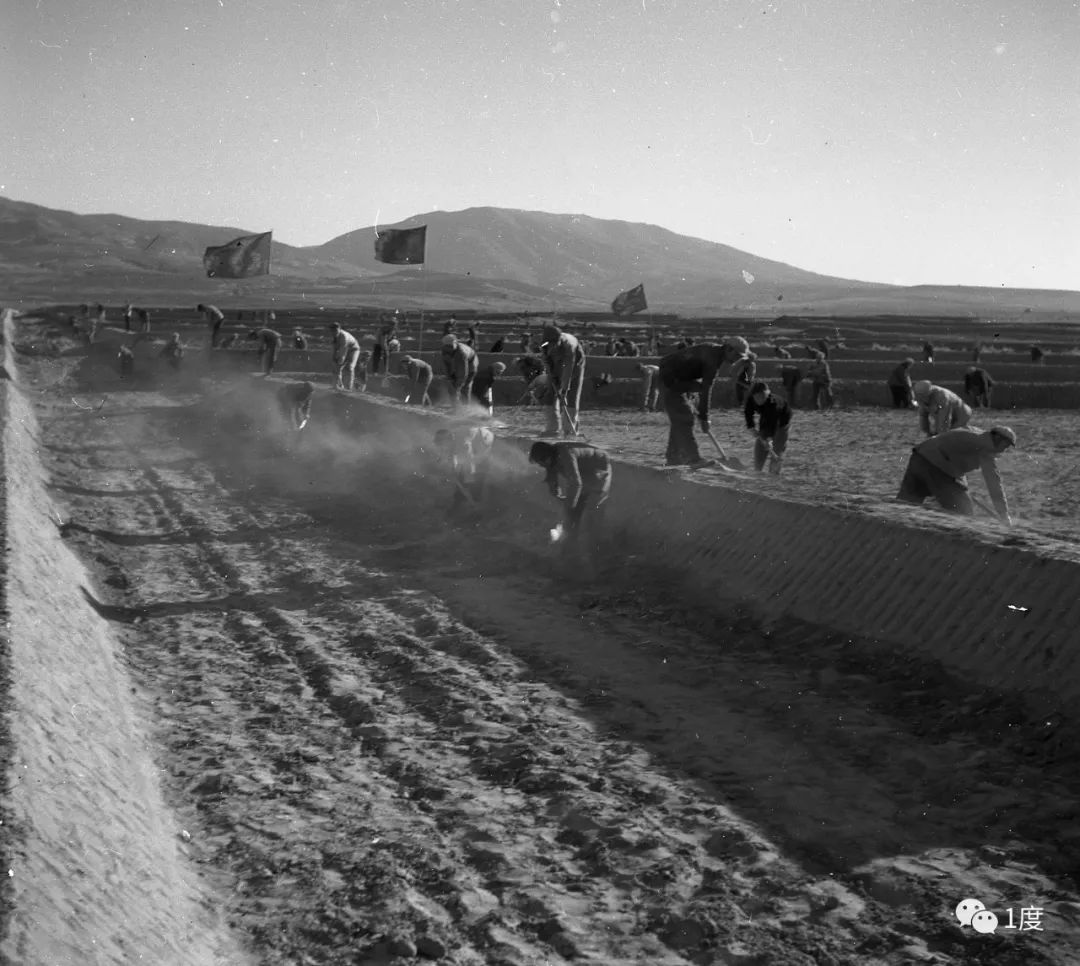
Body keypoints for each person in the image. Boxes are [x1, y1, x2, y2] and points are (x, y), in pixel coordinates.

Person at [657, 337, 749, 467]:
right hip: (669, 380)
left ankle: (673, 458)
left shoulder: (715, 353)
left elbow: (703, 387)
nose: (736, 359)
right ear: (729, 349)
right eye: (737, 355)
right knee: (685, 417)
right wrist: (705, 417)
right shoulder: (712, 357)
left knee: (681, 419)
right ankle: (693, 458)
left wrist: (702, 412)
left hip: (679, 380)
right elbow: (707, 389)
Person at [896, 426, 1016, 524]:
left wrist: (962, 485)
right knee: (964, 512)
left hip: (919, 457)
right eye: (1005, 446)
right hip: (938, 466)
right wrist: (1004, 515)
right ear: (998, 439)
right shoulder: (986, 447)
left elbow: (955, 453)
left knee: (906, 505)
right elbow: (993, 481)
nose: (1004, 450)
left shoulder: (975, 433)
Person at [528, 441, 612, 552]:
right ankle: (570, 543)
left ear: (546, 457)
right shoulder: (551, 457)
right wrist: (554, 489)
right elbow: (551, 473)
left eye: (540, 462)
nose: (540, 465)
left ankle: (593, 548)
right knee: (574, 511)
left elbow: (576, 483)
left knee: (586, 509)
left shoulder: (566, 455)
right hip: (584, 471)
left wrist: (569, 506)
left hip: (600, 469)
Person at [540, 322, 586, 437]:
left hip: (576, 364)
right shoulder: (544, 345)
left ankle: (569, 430)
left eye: (555, 343)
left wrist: (564, 390)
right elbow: (546, 361)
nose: (553, 346)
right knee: (550, 394)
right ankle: (552, 429)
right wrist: (553, 377)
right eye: (551, 344)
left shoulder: (569, 345)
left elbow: (568, 368)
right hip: (556, 363)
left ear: (559, 339)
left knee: (572, 396)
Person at [434, 426, 495, 512]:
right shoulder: (450, 439)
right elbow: (447, 452)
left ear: (448, 441)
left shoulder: (463, 445)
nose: (442, 448)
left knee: (475, 479)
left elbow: (469, 469)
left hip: (484, 442)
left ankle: (476, 504)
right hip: (472, 439)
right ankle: (459, 502)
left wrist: (467, 486)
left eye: (442, 445)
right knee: (462, 478)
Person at [744, 380, 791, 474]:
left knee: (777, 447)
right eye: (756, 397)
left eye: (762, 397)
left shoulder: (774, 404)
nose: (759, 400)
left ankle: (774, 471)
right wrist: (751, 427)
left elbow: (773, 423)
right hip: (766, 418)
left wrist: (769, 440)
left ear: (767, 394)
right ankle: (758, 469)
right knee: (761, 443)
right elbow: (748, 412)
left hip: (782, 422)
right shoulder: (751, 399)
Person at [441, 334, 478, 408]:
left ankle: (465, 407)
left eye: (450, 346)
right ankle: (455, 406)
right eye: (446, 346)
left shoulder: (461, 353)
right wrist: (449, 378)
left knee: (465, 386)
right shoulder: (444, 350)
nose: (448, 349)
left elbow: (463, 373)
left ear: (455, 344)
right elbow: (445, 365)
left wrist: (458, 386)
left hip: (470, 366)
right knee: (451, 386)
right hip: (455, 364)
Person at [329, 322, 361, 391]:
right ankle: (337, 385)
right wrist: (333, 361)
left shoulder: (344, 336)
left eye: (336, 330)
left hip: (353, 349)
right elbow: (333, 351)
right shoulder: (332, 338)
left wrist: (339, 362)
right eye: (332, 331)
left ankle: (349, 387)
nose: (334, 332)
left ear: (339, 329)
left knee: (349, 367)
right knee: (336, 367)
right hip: (343, 350)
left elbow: (343, 352)